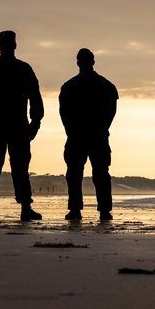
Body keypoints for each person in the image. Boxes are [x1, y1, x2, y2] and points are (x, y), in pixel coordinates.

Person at [0, 30, 44, 220]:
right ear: (15, 45)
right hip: (14, 126)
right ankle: (23, 207)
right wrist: (35, 122)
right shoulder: (23, 69)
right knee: (17, 168)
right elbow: (35, 99)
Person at [59, 48, 119, 222]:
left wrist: (72, 130)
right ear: (93, 62)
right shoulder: (105, 86)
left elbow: (64, 113)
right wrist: (101, 128)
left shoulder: (70, 86)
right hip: (92, 135)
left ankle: (78, 209)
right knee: (95, 174)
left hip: (82, 136)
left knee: (79, 174)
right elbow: (111, 112)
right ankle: (102, 210)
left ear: (78, 62)